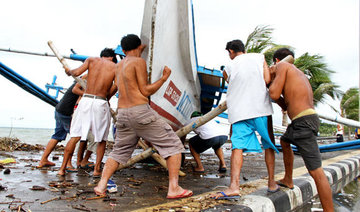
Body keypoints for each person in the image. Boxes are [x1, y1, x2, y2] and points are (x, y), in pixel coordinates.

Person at [94, 34, 192, 199]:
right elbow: (145, 91)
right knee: (174, 146)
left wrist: (141, 47)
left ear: (123, 50)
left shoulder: (118, 66)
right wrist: (164, 78)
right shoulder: (139, 62)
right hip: (140, 111)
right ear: (139, 47)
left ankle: (101, 185)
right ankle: (174, 188)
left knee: (118, 152)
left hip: (122, 114)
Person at [211, 39, 279, 199]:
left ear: (231, 52)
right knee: (268, 144)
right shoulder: (259, 57)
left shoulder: (227, 67)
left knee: (237, 147)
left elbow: (232, 82)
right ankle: (271, 183)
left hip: (239, 111)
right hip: (260, 108)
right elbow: (267, 80)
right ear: (244, 49)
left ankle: (234, 186)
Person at [269, 48, 334, 211]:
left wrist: (269, 80)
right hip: (301, 121)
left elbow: (274, 93)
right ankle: (288, 179)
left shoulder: (282, 67)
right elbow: (285, 104)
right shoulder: (297, 73)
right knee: (284, 141)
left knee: (317, 173)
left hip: (303, 122)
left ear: (277, 61)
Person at [57, 48, 118, 177]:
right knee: (101, 139)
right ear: (112, 57)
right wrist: (107, 97)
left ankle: (62, 169)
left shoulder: (91, 60)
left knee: (75, 136)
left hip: (85, 100)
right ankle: (96, 170)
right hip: (100, 101)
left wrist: (68, 71)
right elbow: (116, 85)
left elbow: (75, 72)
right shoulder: (116, 67)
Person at [38, 81, 83, 170]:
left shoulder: (77, 81)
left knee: (57, 136)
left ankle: (43, 160)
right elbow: (78, 102)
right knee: (75, 136)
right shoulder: (84, 82)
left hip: (59, 110)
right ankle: (68, 163)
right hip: (66, 113)